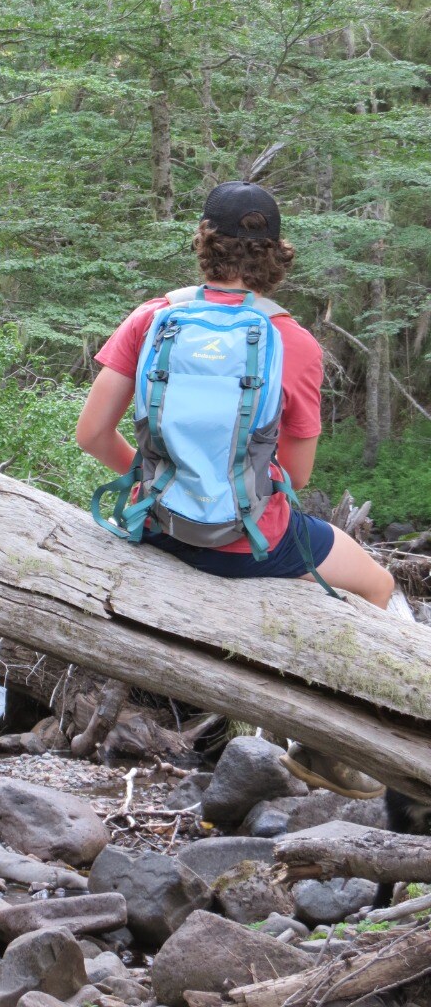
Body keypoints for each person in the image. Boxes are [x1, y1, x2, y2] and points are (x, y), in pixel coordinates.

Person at [76, 180, 394, 799]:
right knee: (377, 584)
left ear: (204, 242)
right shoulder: (292, 341)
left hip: (157, 529)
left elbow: (92, 434)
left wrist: (158, 486)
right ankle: (325, 746)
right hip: (247, 546)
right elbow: (296, 476)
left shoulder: (152, 317)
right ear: (276, 253)